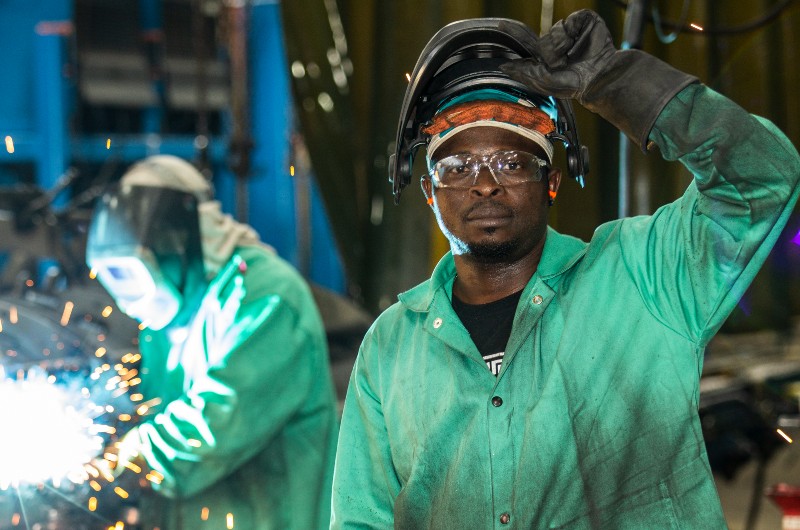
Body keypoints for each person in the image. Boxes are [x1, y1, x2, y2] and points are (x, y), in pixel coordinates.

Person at [331, 9, 800, 529]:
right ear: (429, 193)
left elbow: (761, 177)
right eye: (457, 167)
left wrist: (618, 81)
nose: (484, 184)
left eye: (511, 163)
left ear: (552, 181)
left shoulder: (642, 274)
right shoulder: (392, 344)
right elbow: (360, 517)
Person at [85, 155, 338, 530]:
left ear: (182, 237)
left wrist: (126, 459)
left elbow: (216, 421)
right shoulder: (168, 317)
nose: (131, 301)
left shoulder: (265, 296)